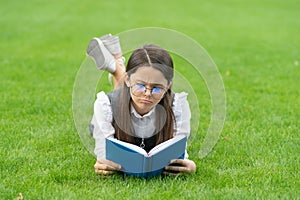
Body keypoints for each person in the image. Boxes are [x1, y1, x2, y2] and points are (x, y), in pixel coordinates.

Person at [87, 34, 196, 176]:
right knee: (120, 101)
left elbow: (180, 151)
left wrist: (189, 165)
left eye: (157, 88)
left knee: (130, 93)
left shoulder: (177, 106)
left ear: (168, 85)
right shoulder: (105, 105)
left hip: (129, 90)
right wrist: (102, 163)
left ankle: (116, 65)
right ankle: (118, 67)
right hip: (119, 101)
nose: (147, 94)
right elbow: (104, 152)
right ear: (127, 79)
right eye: (141, 86)